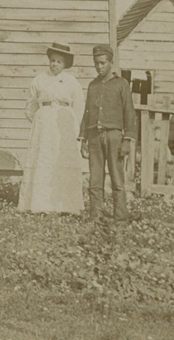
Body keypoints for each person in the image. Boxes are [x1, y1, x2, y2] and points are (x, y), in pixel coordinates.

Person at [18, 42, 85, 214]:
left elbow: (78, 106)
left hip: (64, 125)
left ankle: (66, 207)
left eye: (59, 62)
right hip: (44, 126)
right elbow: (31, 106)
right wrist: (42, 119)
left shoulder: (72, 81)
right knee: (43, 160)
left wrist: (73, 126)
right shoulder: (39, 80)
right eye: (53, 60)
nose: (55, 64)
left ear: (65, 64)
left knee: (62, 160)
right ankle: (39, 205)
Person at [80, 45, 136, 223]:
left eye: (103, 63)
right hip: (94, 136)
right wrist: (83, 139)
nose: (99, 67)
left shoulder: (122, 84)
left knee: (117, 178)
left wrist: (127, 139)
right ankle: (96, 214)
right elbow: (87, 112)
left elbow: (129, 112)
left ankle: (120, 216)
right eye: (96, 63)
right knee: (95, 178)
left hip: (114, 137)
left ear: (111, 63)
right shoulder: (93, 85)